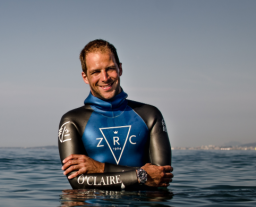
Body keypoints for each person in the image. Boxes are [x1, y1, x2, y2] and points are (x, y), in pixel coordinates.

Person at [58, 39, 174, 189]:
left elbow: (161, 177)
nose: (105, 78)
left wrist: (100, 168)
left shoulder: (150, 115)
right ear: (85, 77)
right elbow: (77, 182)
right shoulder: (72, 121)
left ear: (120, 69)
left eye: (110, 69)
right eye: (96, 72)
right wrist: (140, 176)